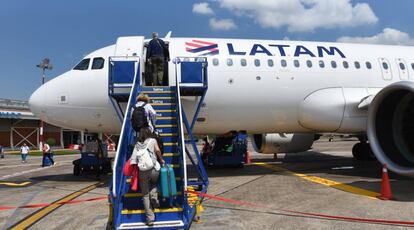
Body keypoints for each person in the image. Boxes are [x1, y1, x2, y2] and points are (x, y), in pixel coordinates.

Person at [131, 126, 165, 226]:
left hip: (143, 171)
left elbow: (133, 159)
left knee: (145, 195)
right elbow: (158, 150)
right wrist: (161, 159)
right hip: (153, 169)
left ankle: (150, 219)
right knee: (154, 182)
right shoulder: (153, 140)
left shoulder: (137, 144)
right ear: (149, 132)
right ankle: (154, 195)